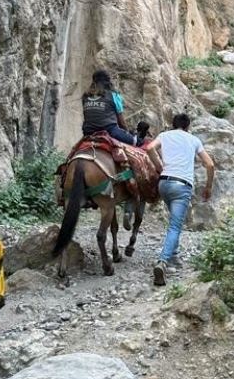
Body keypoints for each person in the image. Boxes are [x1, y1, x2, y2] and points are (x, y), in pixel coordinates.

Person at [145, 113, 215, 286]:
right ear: (188, 126)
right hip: (182, 186)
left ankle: (173, 255)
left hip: (164, 185)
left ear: (172, 124)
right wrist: (208, 187)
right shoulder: (193, 140)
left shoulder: (164, 135)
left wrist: (159, 166)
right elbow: (210, 164)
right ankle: (163, 261)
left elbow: (149, 148)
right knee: (176, 225)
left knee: (174, 222)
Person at [81, 70, 140, 146]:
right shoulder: (114, 95)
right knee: (137, 142)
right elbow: (121, 122)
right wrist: (127, 132)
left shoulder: (86, 96)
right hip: (110, 131)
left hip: (88, 132)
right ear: (108, 81)